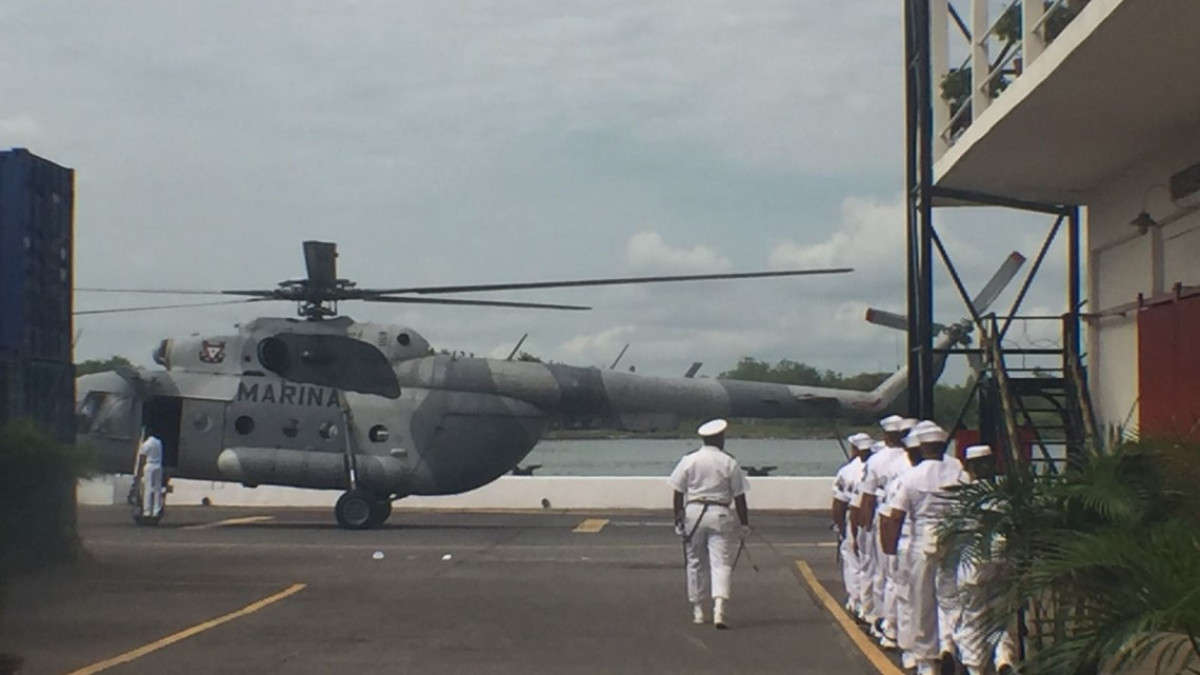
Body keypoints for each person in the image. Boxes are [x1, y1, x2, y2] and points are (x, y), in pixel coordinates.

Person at [885, 423, 969, 675]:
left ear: (921, 447)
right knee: (951, 599)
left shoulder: (911, 477)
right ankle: (951, 645)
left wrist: (890, 550)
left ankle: (925, 661)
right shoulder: (959, 474)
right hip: (952, 540)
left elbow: (896, 515)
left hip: (920, 543)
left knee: (920, 602)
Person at [669, 418, 750, 629]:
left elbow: (678, 492)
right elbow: (740, 496)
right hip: (720, 512)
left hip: (693, 513)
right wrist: (744, 524)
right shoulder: (729, 462)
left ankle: (697, 610)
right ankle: (719, 609)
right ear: (719, 438)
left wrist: (678, 517)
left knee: (694, 561)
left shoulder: (689, 460)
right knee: (721, 562)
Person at [955, 445, 1017, 675]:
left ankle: (975, 668)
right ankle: (1004, 659)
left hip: (973, 565)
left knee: (973, 618)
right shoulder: (1005, 493)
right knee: (1002, 616)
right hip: (1003, 564)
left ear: (969, 467)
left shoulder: (962, 496)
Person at [832, 432, 872, 616]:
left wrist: (839, 526)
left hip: (854, 516)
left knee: (853, 562)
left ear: (855, 449)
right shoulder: (877, 465)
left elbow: (839, 502)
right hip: (875, 517)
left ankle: (856, 601)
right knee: (872, 566)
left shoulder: (847, 471)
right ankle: (868, 605)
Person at [135, 432, 165, 519]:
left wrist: (139, 472)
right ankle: (156, 510)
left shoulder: (146, 444)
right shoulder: (159, 442)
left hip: (150, 465)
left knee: (148, 489)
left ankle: (147, 511)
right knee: (157, 489)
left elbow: (142, 458)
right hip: (158, 465)